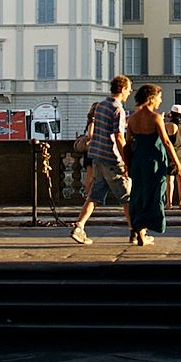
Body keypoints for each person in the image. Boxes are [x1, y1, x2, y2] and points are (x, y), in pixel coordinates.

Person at [71, 75, 132, 245]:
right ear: (122, 89)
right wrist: (127, 159)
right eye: (128, 89)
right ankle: (135, 232)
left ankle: (79, 227)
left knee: (94, 196)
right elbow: (119, 137)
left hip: (97, 156)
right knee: (127, 196)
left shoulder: (101, 106)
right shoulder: (118, 109)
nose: (129, 93)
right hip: (112, 158)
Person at [125, 83, 181, 246]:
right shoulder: (156, 118)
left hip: (138, 161)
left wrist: (128, 165)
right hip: (155, 161)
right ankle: (148, 227)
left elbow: (128, 144)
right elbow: (166, 142)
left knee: (139, 195)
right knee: (156, 194)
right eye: (159, 97)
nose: (160, 101)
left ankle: (140, 232)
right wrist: (178, 164)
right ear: (151, 98)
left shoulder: (132, 119)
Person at [164, 104, 181, 211]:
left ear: (171, 114)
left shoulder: (169, 125)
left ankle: (169, 203)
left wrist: (166, 116)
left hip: (171, 152)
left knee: (170, 179)